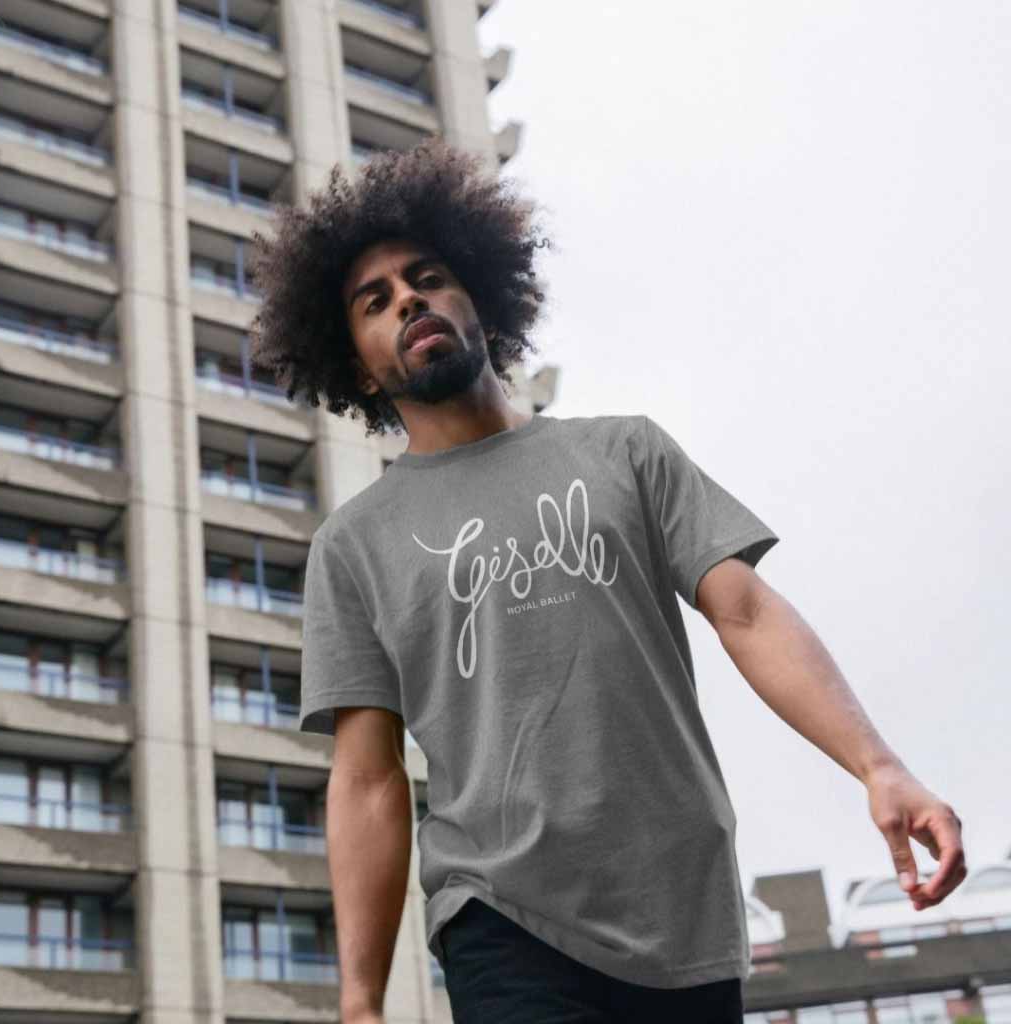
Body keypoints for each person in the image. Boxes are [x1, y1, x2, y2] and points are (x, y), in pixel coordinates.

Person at [247, 137, 967, 1024]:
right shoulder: (353, 546)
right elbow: (367, 779)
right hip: (499, 916)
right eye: (376, 300)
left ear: (477, 295)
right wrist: (360, 1002)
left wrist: (878, 766)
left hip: (684, 909)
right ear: (357, 361)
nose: (409, 301)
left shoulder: (623, 451)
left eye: (427, 278)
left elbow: (743, 610)